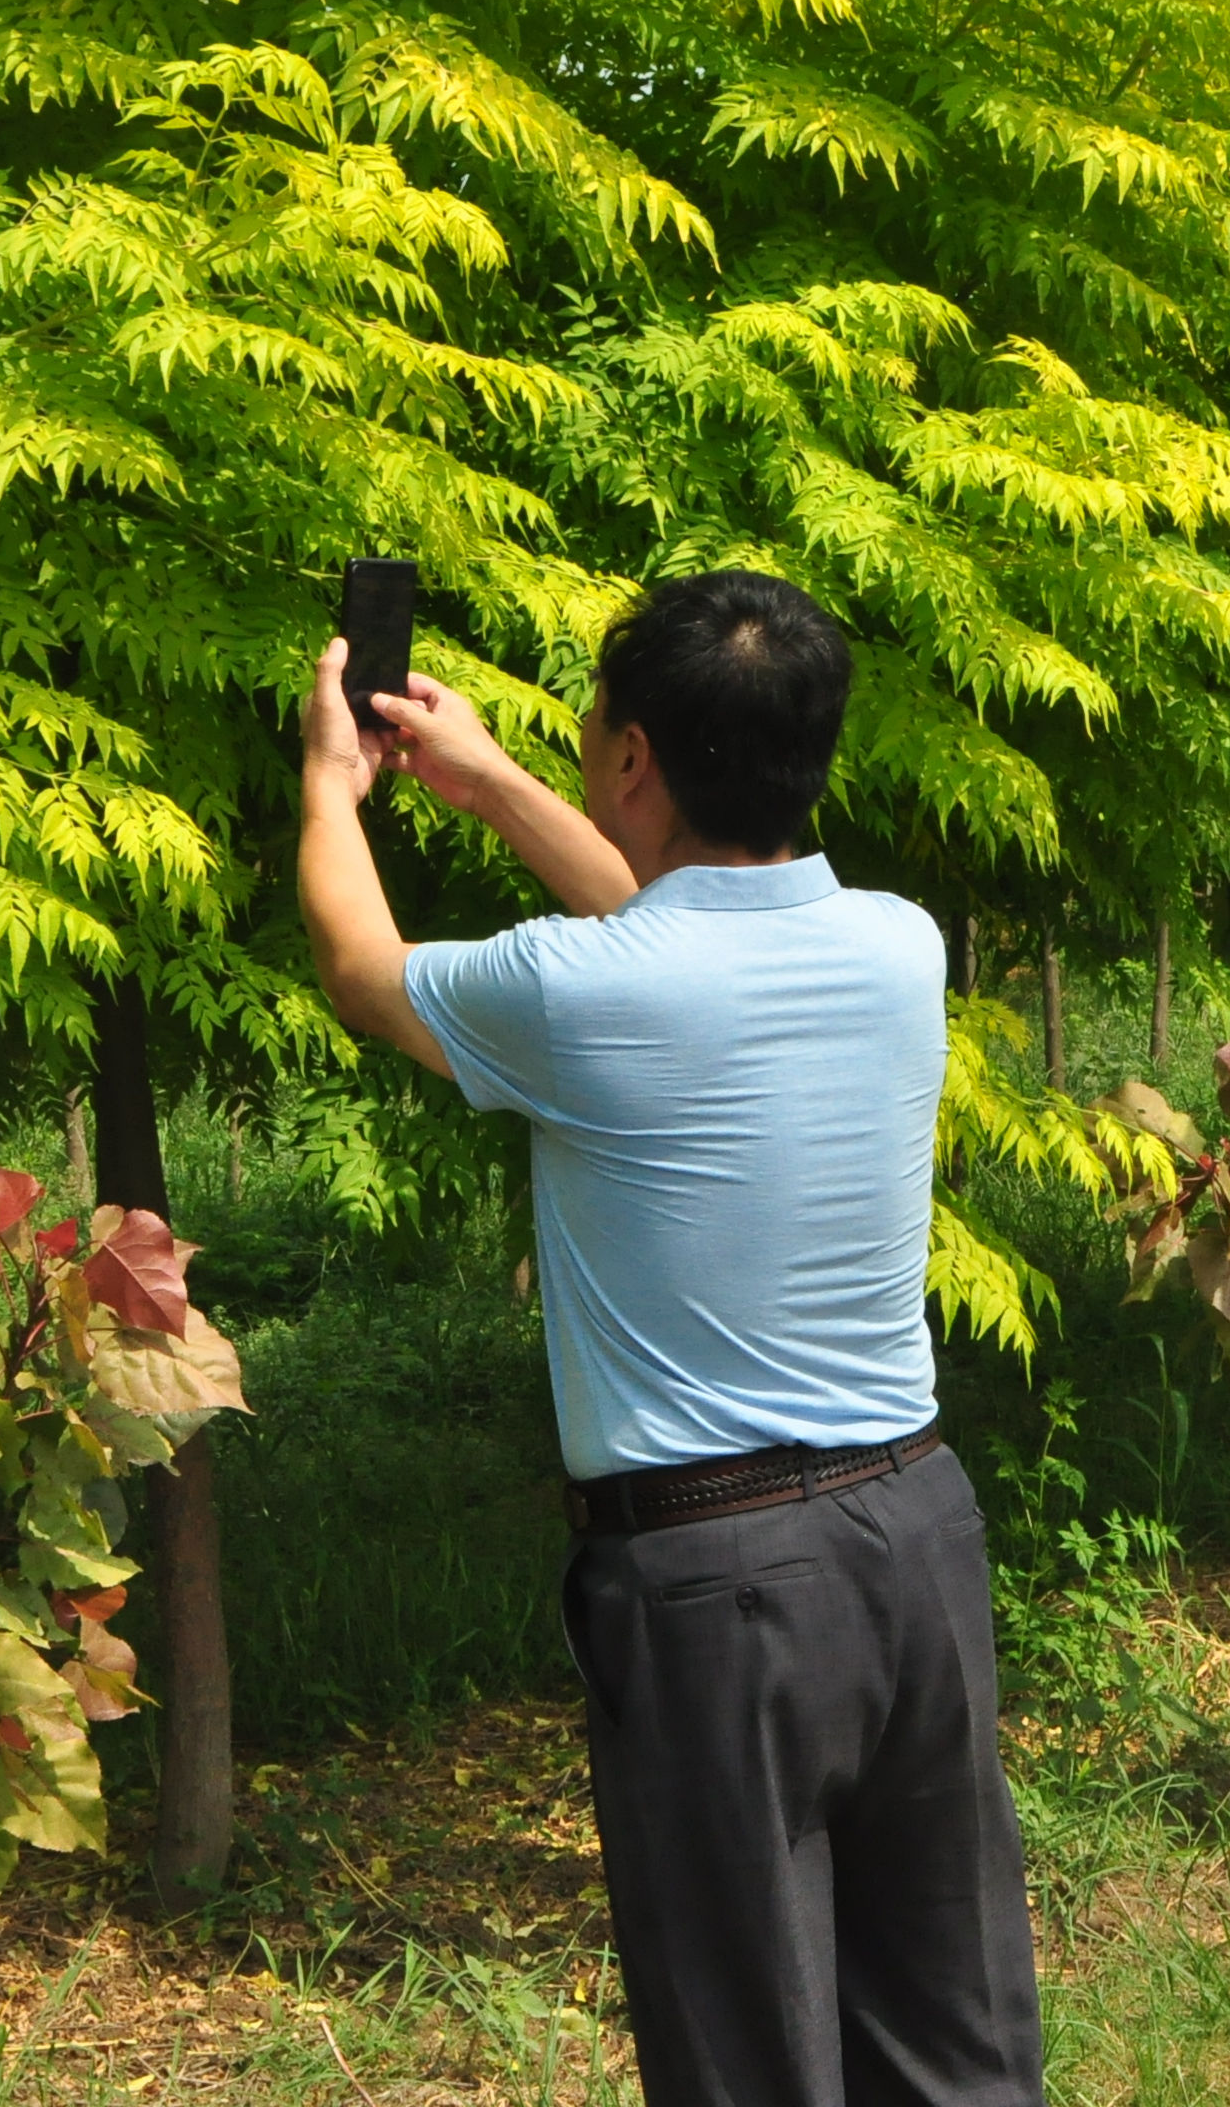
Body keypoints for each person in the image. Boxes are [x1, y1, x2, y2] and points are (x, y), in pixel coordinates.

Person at [294, 569, 1043, 2107]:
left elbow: (364, 971)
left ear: (633, 756)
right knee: (955, 2041)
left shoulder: (584, 995)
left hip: (718, 1585)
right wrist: (495, 781)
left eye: (590, 739)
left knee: (748, 2054)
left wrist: (332, 784)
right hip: (914, 1541)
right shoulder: (903, 946)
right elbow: (675, 930)